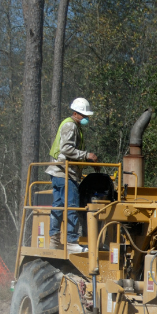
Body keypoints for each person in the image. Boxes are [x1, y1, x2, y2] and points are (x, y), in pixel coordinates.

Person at [47, 98, 98, 252]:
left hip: (58, 171)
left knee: (59, 206)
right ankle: (71, 241)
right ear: (75, 113)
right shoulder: (70, 125)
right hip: (65, 172)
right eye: (83, 115)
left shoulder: (73, 125)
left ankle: (55, 240)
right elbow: (66, 149)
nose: (86, 118)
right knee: (72, 206)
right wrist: (87, 155)